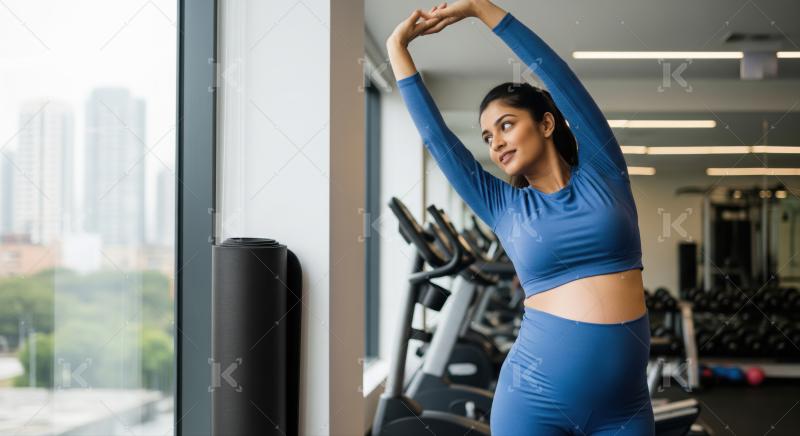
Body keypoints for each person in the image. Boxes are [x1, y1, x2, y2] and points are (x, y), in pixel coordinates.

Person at [386, 1, 654, 434]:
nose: (496, 143)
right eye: (489, 136)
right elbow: (437, 138)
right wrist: (397, 47)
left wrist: (479, 8)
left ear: (547, 123)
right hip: (535, 400)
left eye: (506, 125)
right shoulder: (504, 206)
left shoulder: (605, 172)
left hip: (624, 408)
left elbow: (555, 72)